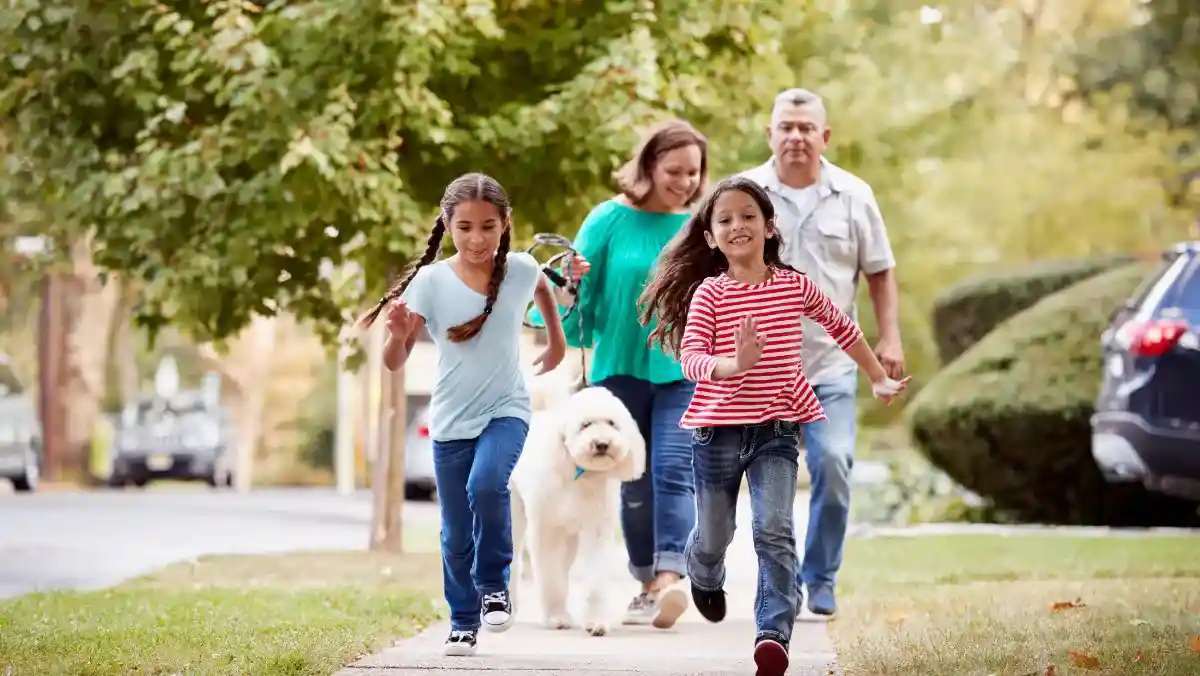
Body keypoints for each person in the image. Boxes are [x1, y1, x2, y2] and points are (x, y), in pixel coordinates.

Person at [638, 176, 909, 676]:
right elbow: (692, 358)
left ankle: (772, 634)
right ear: (711, 237)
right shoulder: (709, 295)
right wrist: (732, 365)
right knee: (715, 534)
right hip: (717, 430)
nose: (737, 225)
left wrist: (876, 377)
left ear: (768, 226)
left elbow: (841, 326)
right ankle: (704, 572)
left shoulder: (793, 285)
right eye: (725, 220)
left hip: (777, 430)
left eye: (747, 216)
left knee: (775, 529)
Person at [358, 172, 569, 657]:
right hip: (451, 420)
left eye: (488, 227)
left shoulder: (519, 268)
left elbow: (542, 289)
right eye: (466, 227)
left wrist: (555, 340)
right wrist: (395, 334)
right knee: (454, 532)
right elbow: (395, 361)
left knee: (487, 485)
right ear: (448, 225)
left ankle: (495, 587)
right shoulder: (430, 282)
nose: (478, 239)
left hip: (506, 409)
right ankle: (462, 620)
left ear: (505, 224)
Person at [531, 118, 709, 628]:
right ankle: (646, 580)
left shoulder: (699, 226)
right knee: (631, 481)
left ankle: (670, 578)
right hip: (617, 372)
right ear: (648, 165)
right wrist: (572, 281)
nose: (684, 182)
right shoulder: (608, 218)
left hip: (681, 369)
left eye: (693, 173)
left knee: (674, 471)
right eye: (674, 170)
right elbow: (571, 299)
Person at [740, 88, 905, 617]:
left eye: (806, 127)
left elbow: (879, 269)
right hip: (763, 370)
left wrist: (890, 337)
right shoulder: (745, 195)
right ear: (770, 134)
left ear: (824, 136)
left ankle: (822, 575)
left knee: (834, 463)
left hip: (833, 363)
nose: (795, 136)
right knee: (769, 487)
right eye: (785, 126)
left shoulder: (855, 195)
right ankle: (779, 585)